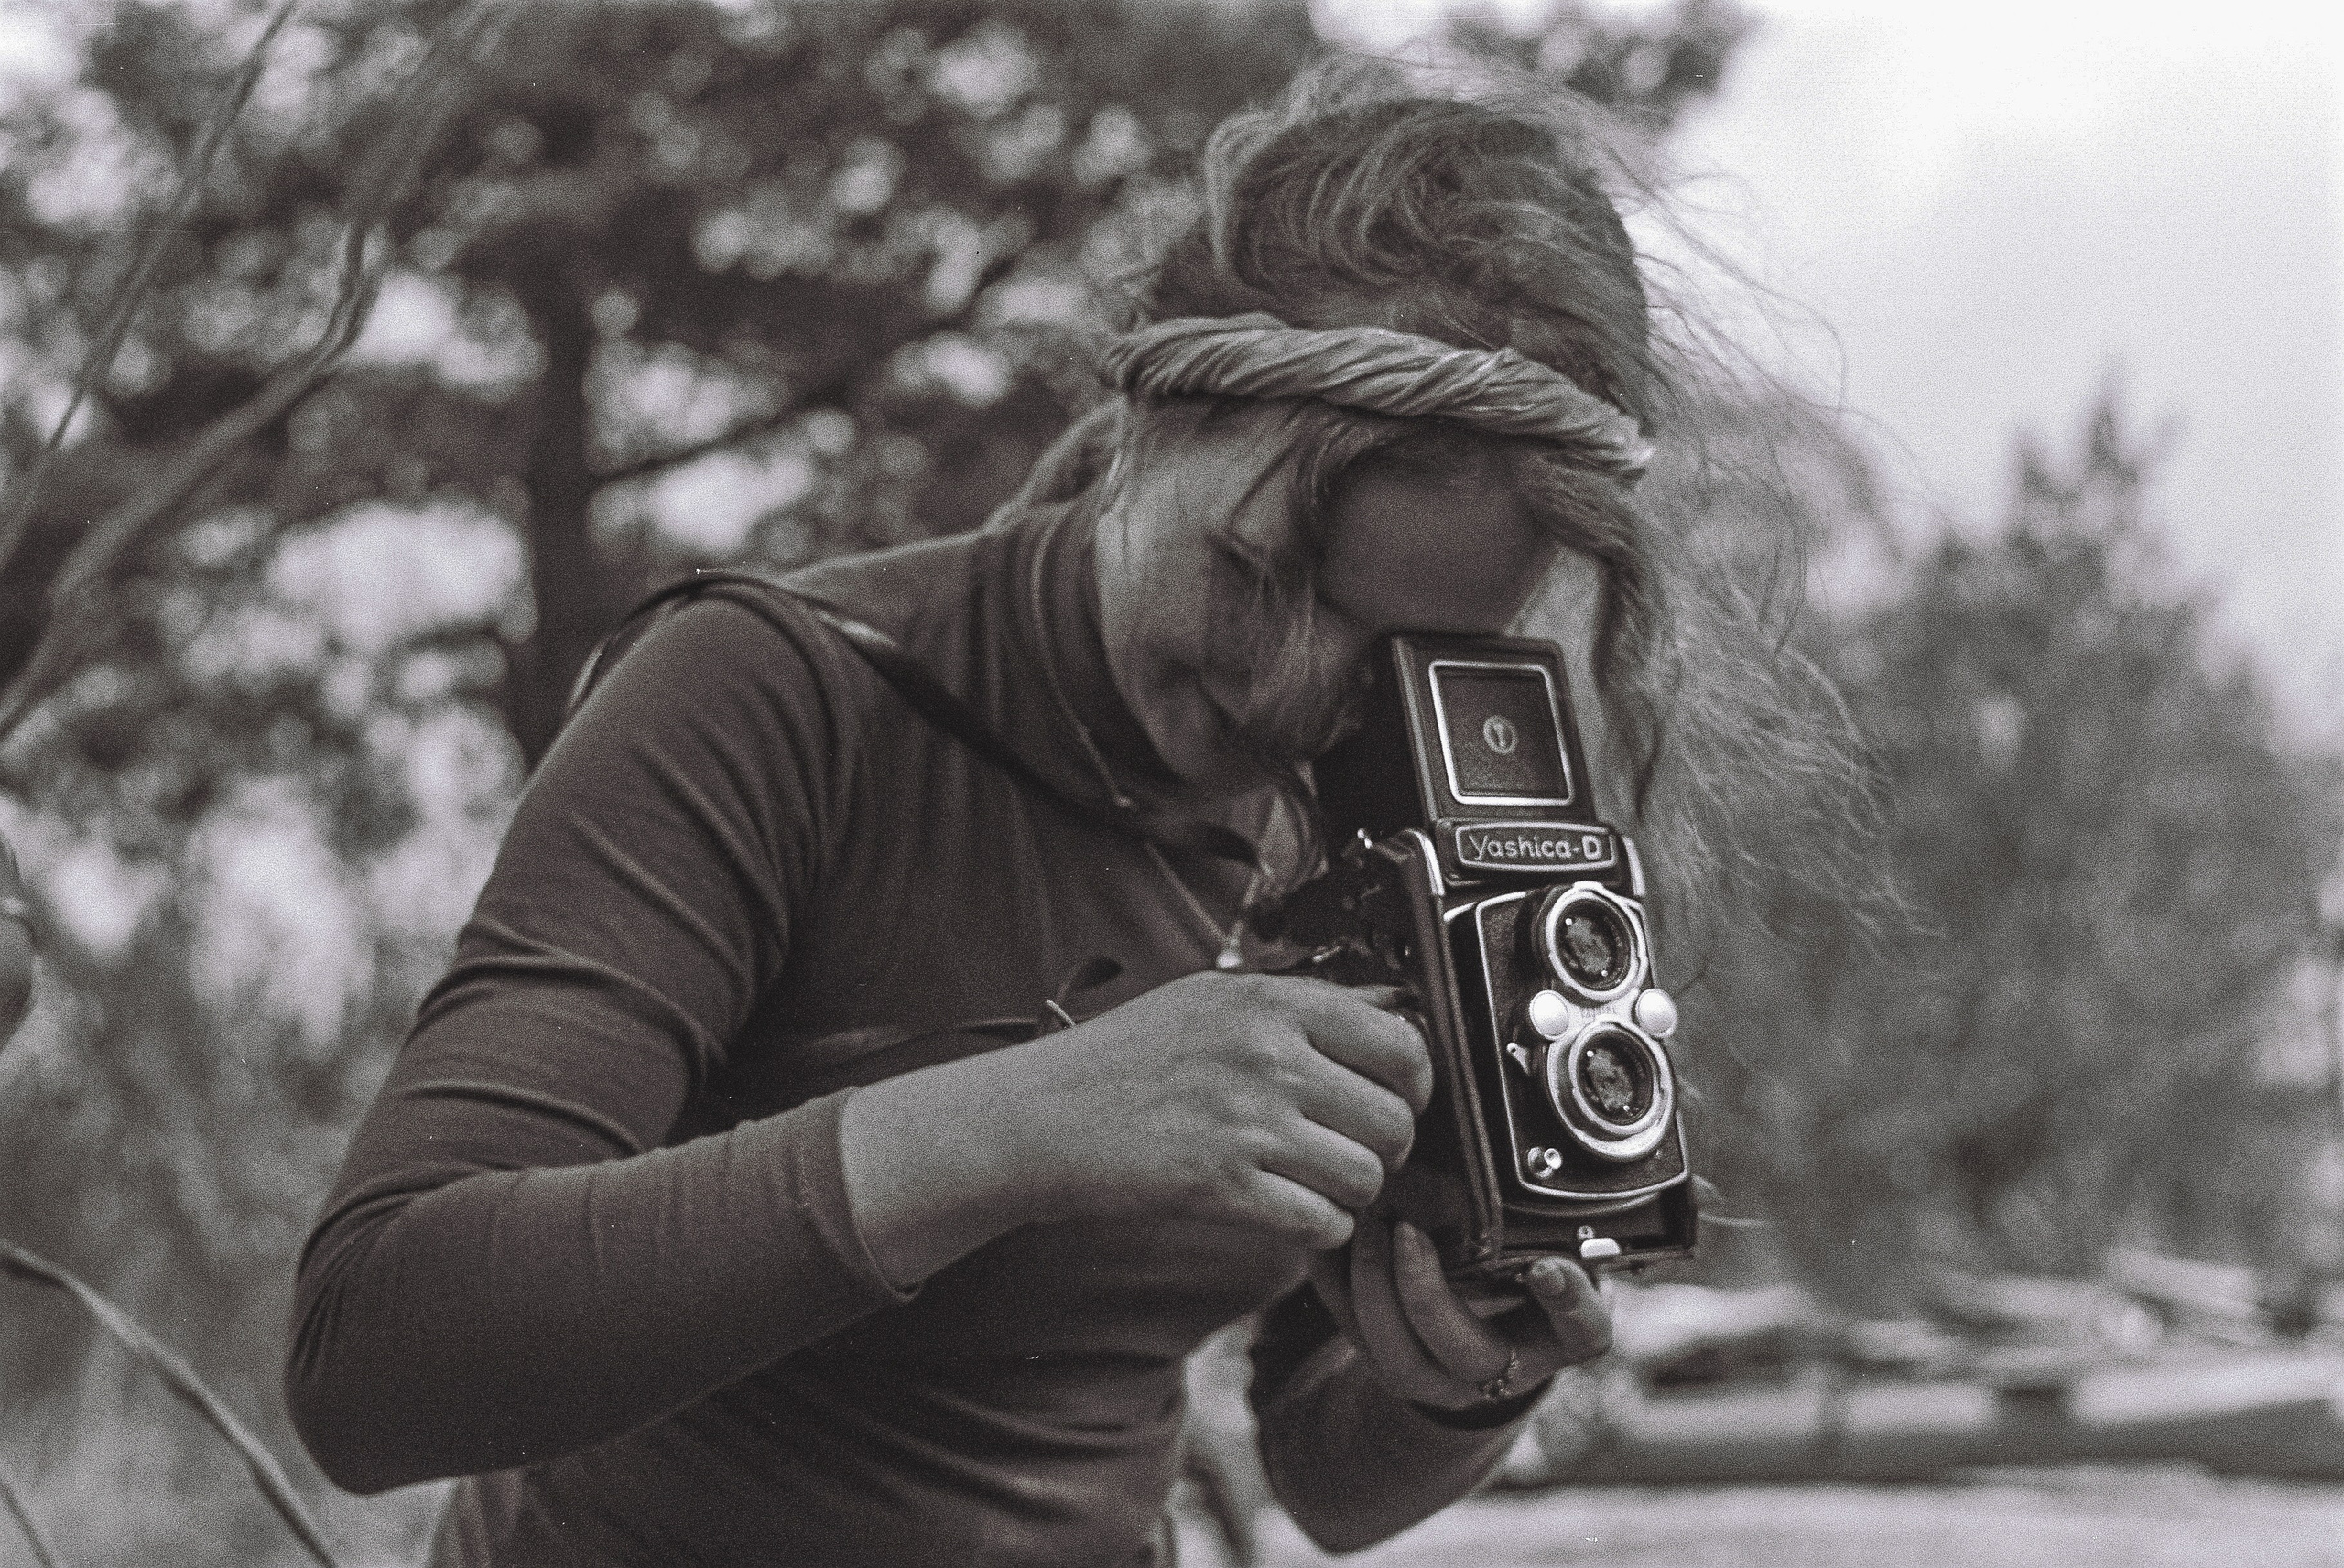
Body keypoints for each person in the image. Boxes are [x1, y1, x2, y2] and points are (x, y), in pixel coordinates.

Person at [286, 61, 1735, 1566]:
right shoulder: (788, 699)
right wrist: (1025, 1122)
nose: (1292, 696)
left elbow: (1319, 1468)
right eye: (1257, 575)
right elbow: (374, 1352)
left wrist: (1457, 1378)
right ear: (1154, 408)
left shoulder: (1380, 832)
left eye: (1396, 657)